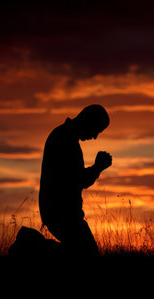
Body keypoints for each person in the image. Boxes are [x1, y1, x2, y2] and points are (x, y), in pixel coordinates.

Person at [39, 104, 112, 257]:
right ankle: (30, 245)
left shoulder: (64, 137)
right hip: (62, 214)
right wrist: (97, 167)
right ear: (88, 121)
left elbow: (75, 179)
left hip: (60, 212)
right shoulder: (65, 140)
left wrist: (96, 168)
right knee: (88, 254)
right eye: (96, 130)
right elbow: (78, 180)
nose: (95, 137)